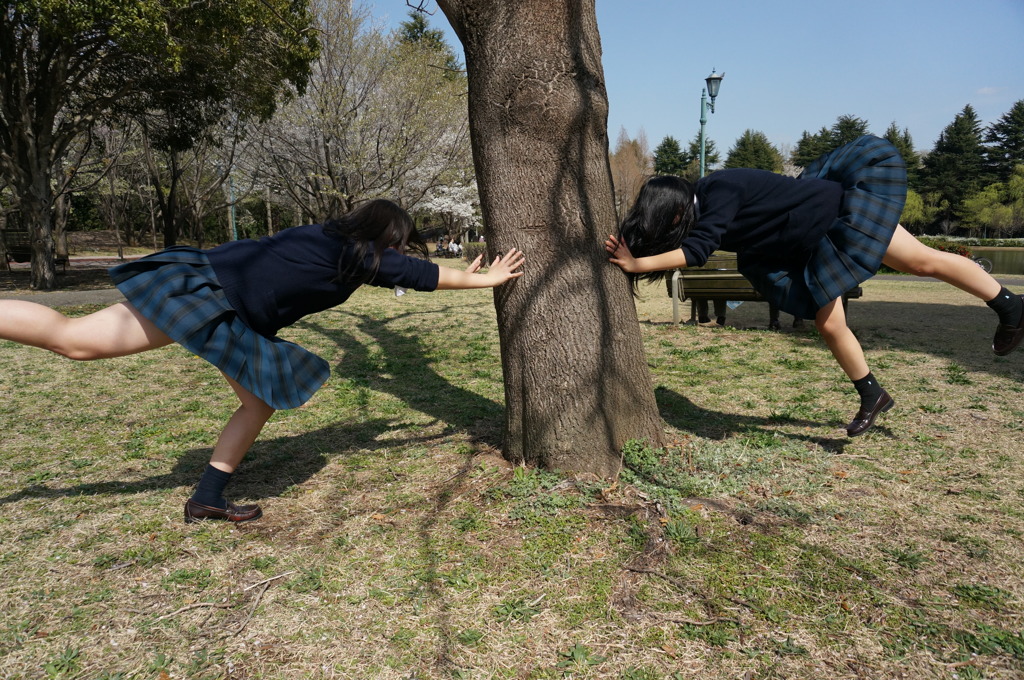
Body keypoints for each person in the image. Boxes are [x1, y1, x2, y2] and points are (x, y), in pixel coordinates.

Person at [0, 199, 525, 523]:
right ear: (386, 239)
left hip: (214, 293)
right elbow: (429, 279)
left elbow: (417, 271)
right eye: (397, 243)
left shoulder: (326, 236)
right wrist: (488, 279)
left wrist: (464, 271)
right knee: (73, 341)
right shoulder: (359, 258)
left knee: (257, 403)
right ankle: (206, 496)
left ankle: (206, 497)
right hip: (208, 299)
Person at [605, 135, 1023, 437]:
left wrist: (636, 262)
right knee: (830, 325)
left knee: (922, 261)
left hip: (840, 213)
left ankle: (1010, 306)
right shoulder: (705, 205)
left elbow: (697, 251)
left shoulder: (718, 188)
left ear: (675, 212)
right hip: (812, 243)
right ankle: (872, 394)